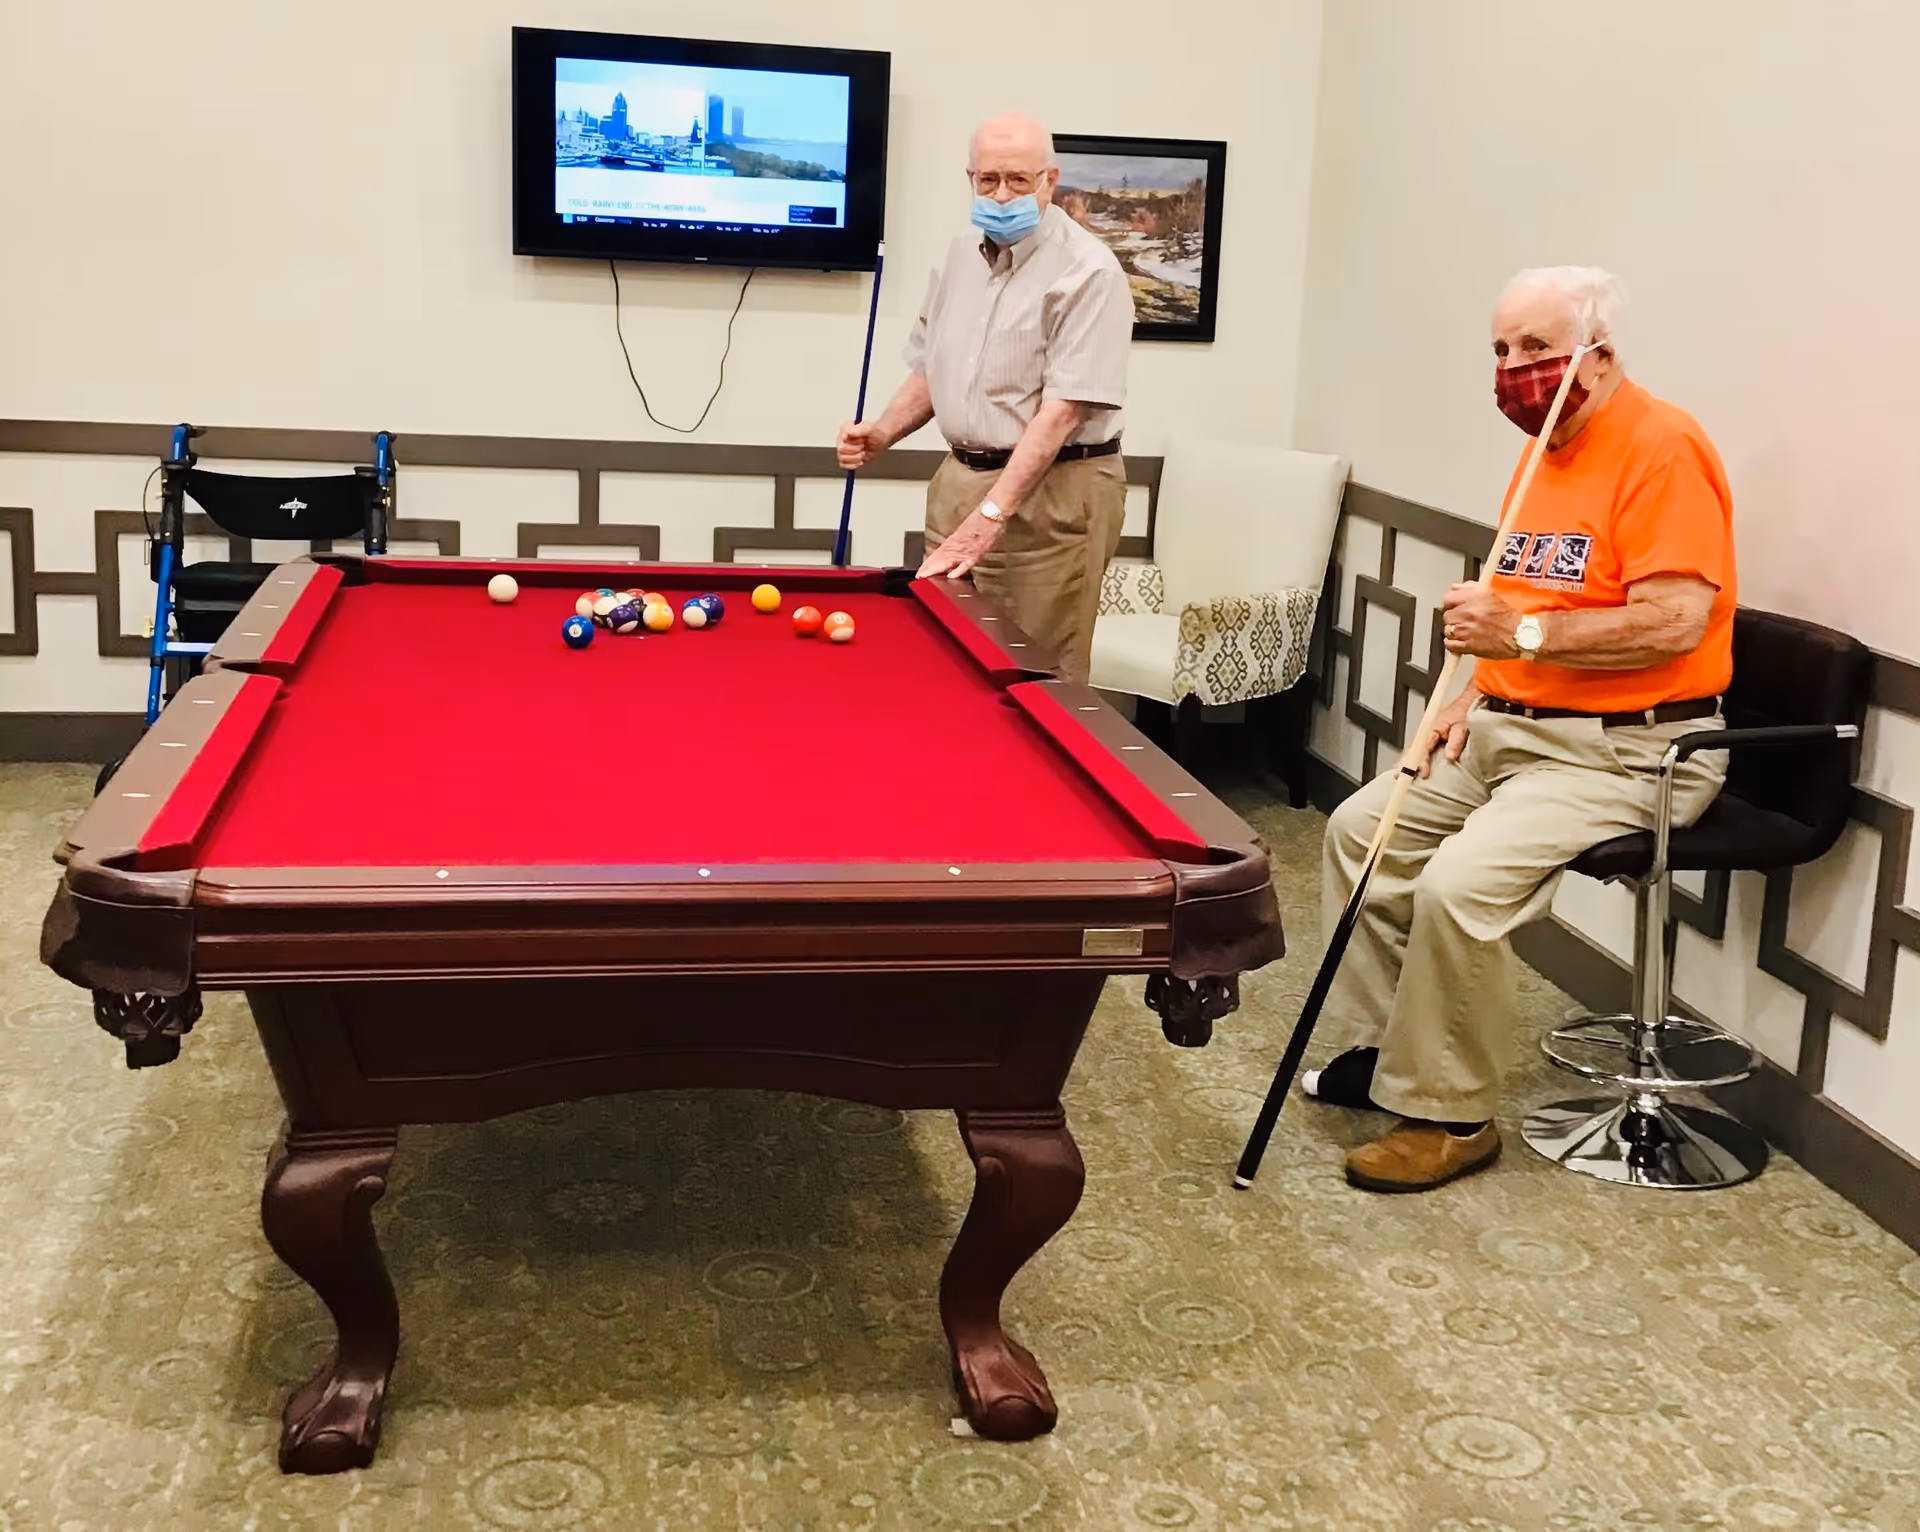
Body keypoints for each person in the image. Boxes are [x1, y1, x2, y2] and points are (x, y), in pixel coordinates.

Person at [1309, 265, 1736, 1192]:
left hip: (1630, 749)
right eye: (1501, 349)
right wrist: (1473, 694)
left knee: (1457, 886)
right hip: (1512, 726)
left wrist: (1523, 635)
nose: (1513, 369)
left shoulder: (1663, 449)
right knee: (1359, 836)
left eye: (1537, 349)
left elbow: (1675, 622)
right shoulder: (1548, 444)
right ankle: (1400, 1058)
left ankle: (1449, 1117)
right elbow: (1527, 597)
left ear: (1601, 355)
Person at [835, 112, 1135, 683]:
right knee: (948, 665)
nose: (1001, 195)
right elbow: (932, 367)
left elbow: (1063, 412)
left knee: (1034, 673)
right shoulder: (955, 257)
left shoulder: (1089, 271)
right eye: (988, 180)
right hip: (959, 483)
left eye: (1019, 181)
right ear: (969, 178)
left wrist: (991, 515)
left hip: (1054, 495)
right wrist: (882, 432)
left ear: (1051, 179)